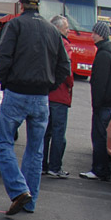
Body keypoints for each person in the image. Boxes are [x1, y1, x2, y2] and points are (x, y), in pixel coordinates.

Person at [0, 0, 71, 215]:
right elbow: (65, 67)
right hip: (41, 97)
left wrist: (4, 82)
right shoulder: (52, 31)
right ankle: (30, 201)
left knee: (2, 141)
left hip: (17, 92)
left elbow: (2, 57)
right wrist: (49, 86)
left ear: (21, 5)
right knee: (35, 149)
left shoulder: (15, 26)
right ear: (39, 6)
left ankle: (19, 190)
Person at [79, 20, 111, 181]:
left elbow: (99, 83)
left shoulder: (103, 54)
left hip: (102, 104)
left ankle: (99, 169)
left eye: (95, 32)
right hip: (108, 102)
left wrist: (96, 103)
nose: (92, 35)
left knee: (98, 136)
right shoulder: (110, 53)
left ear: (101, 35)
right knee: (101, 135)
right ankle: (101, 169)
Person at [43, 15, 73, 178]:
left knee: (44, 132)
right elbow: (66, 70)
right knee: (58, 133)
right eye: (66, 27)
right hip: (60, 94)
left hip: (45, 93)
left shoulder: (45, 41)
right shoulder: (64, 44)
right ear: (59, 28)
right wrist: (69, 85)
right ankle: (55, 166)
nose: (68, 30)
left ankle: (42, 165)